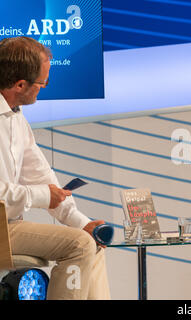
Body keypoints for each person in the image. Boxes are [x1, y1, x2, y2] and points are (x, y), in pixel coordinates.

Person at [0, 36, 110, 299]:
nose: (44, 87)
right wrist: (42, 195)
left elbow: (41, 174)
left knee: (91, 242)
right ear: (20, 84)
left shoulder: (15, 116)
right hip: (2, 226)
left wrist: (81, 223)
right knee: (79, 246)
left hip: (10, 225)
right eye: (42, 82)